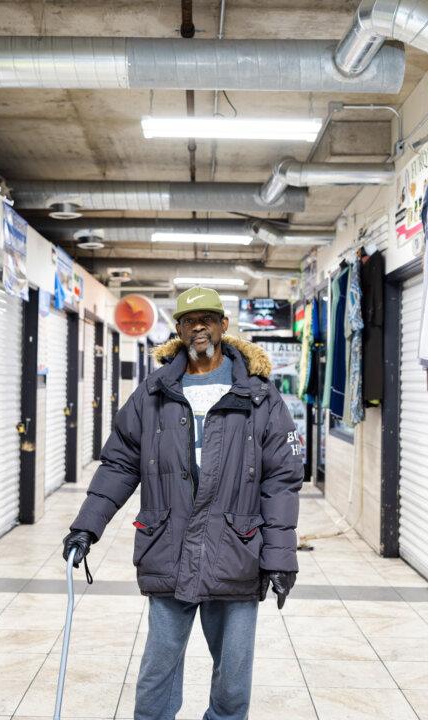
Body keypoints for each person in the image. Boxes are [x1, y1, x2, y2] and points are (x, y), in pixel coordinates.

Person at [63, 286, 304, 720]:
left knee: (233, 681)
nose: (199, 327)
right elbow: (119, 463)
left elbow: (281, 480)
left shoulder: (259, 396)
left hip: (237, 549)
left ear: (223, 326)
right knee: (158, 670)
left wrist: (281, 557)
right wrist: (87, 525)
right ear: (177, 329)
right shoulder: (153, 394)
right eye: (190, 320)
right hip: (168, 548)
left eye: (208, 318)